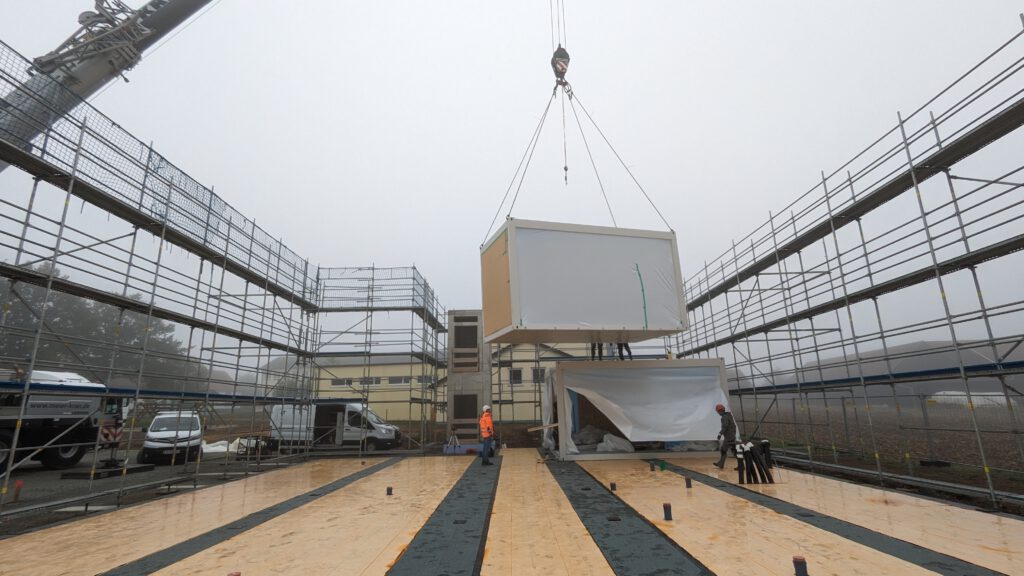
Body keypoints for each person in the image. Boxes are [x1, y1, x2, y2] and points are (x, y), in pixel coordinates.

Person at [713, 403, 738, 469]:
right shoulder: (729, 415)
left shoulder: (724, 417)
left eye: (718, 411)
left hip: (729, 437)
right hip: (731, 436)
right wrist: (734, 434)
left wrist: (720, 434)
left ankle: (741, 465)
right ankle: (721, 463)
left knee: (730, 450)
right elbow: (733, 426)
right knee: (728, 450)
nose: (718, 413)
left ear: (720, 411)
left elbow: (725, 427)